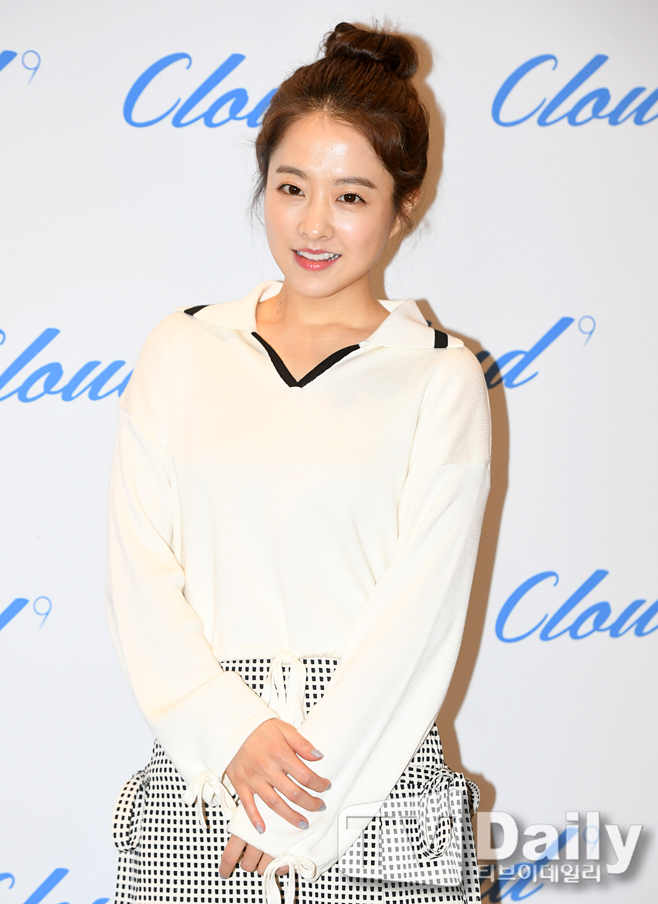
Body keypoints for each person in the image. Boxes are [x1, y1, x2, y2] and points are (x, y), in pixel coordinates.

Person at [106, 20, 491, 904]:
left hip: (377, 787)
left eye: (351, 195)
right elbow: (139, 570)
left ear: (404, 205)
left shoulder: (440, 376)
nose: (314, 225)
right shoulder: (183, 350)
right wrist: (227, 732)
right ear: (264, 186)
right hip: (205, 786)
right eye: (291, 187)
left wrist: (306, 802)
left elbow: (420, 613)